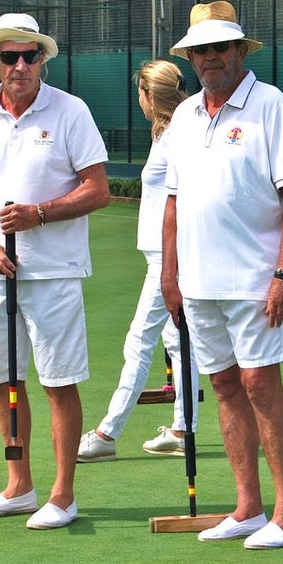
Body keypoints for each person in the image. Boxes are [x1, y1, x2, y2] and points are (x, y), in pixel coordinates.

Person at [0, 12, 111, 530]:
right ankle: (19, 486)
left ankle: (63, 496)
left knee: (59, 381)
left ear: (42, 59)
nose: (20, 65)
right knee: (4, 379)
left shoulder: (70, 111)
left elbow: (98, 189)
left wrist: (38, 214)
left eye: (30, 55)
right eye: (9, 56)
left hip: (55, 271)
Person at [161, 1, 283, 550]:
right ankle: (248, 508)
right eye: (200, 50)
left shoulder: (271, 105)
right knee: (223, 386)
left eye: (220, 47)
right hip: (198, 283)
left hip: (256, 280)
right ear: (190, 58)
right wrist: (170, 275)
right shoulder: (184, 116)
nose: (210, 57)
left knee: (260, 387)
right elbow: (173, 202)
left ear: (240, 51)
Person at [77, 59, 200, 463]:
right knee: (176, 342)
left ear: (150, 95)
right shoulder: (166, 133)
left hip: (168, 257)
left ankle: (106, 434)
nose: (139, 101)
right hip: (160, 254)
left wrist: (173, 264)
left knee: (138, 341)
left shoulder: (177, 135)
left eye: (140, 94)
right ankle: (182, 429)